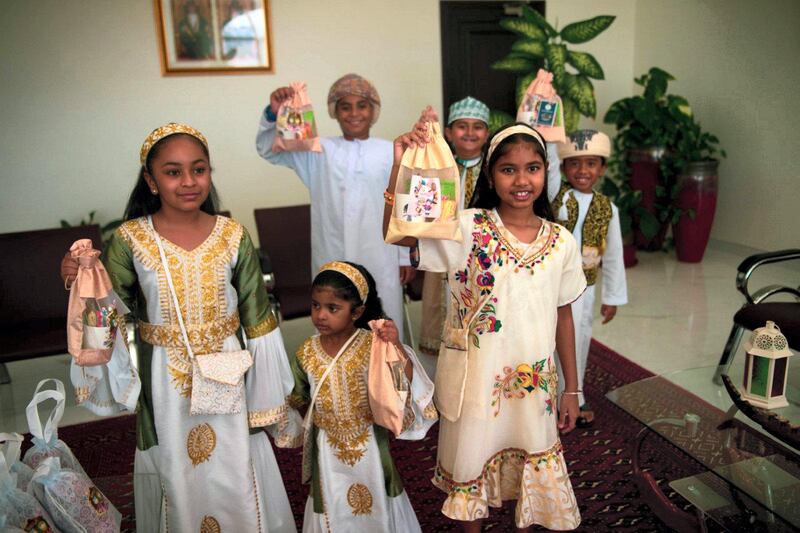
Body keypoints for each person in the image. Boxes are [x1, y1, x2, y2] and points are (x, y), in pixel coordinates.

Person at [61, 123, 297, 532]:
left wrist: (266, 394)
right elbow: (108, 309)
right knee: (177, 463)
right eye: (173, 172)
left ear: (210, 173)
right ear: (151, 181)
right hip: (165, 379)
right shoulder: (130, 239)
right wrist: (80, 280)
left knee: (234, 457)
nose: (188, 181)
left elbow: (258, 317)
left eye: (199, 169)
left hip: (227, 372)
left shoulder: (232, 235)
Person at [384, 112, 585, 531]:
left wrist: (573, 387)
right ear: (491, 177)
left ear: (545, 173)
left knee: (530, 469)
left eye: (532, 168)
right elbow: (400, 234)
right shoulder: (467, 228)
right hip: (476, 385)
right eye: (508, 169)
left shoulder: (561, 242)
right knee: (470, 474)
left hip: (535, 387)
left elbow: (563, 315)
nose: (521, 180)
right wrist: (400, 162)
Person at [276, 261, 436, 532]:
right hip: (327, 447)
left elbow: (403, 383)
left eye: (332, 308)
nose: (321, 315)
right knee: (330, 502)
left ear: (357, 312)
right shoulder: (305, 352)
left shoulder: (373, 345)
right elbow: (296, 396)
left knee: (379, 499)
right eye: (316, 305)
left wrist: (395, 346)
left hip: (371, 445)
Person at [256, 73, 414, 339]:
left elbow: (403, 206)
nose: (354, 113)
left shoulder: (391, 151)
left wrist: (404, 257)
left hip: (380, 254)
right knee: (335, 325)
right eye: (345, 106)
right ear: (335, 112)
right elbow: (270, 150)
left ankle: (385, 378)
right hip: (333, 251)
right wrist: (273, 115)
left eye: (362, 106)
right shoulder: (318, 149)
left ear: (373, 111)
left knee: (381, 327)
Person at [548, 129, 627, 427]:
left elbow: (615, 254)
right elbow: (549, 165)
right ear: (565, 166)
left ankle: (573, 396)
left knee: (578, 340)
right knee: (546, 339)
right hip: (550, 285)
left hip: (584, 288)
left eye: (591, 163)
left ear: (602, 168)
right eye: (575, 163)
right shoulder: (556, 196)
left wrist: (613, 297)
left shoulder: (608, 209)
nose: (583, 171)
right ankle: (546, 397)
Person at [418, 97, 490, 367]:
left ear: (487, 133)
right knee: (438, 316)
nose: (470, 133)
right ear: (448, 132)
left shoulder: (493, 171)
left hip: (481, 259)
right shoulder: (438, 166)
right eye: (462, 126)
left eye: (477, 127)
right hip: (441, 255)